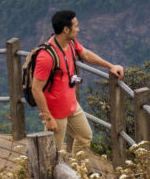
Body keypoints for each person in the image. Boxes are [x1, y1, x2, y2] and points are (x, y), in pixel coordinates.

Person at [31, 9, 123, 154]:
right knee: (54, 153)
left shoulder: (71, 42)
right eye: (76, 26)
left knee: (85, 136)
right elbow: (36, 89)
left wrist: (110, 66)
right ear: (66, 30)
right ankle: (55, 176)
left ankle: (76, 171)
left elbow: (85, 54)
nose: (78, 29)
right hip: (55, 112)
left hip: (72, 105)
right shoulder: (46, 56)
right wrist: (48, 118)